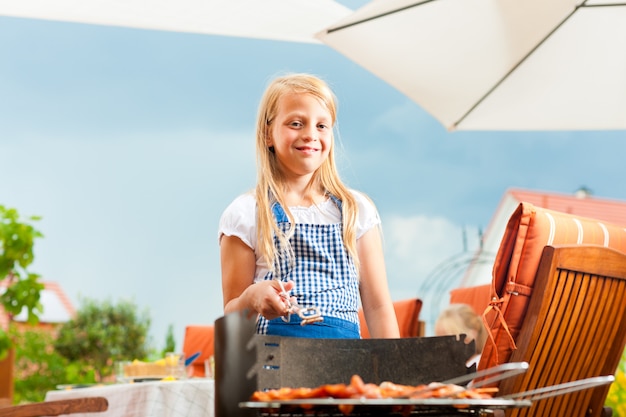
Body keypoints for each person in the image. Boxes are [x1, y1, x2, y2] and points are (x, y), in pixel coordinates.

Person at [218, 73, 399, 339]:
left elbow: (378, 306)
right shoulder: (246, 213)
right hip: (277, 374)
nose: (310, 135)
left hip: (348, 371)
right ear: (268, 134)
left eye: (321, 126)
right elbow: (233, 323)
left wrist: (393, 375)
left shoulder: (356, 210)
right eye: (296, 123)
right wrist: (250, 299)